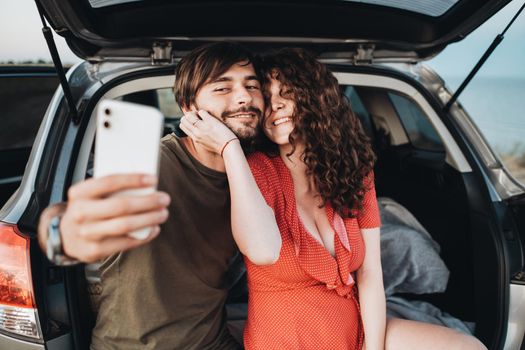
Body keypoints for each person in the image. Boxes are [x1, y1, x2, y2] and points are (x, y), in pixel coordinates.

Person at [179, 48, 487, 350]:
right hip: (285, 341)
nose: (276, 107)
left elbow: (369, 272)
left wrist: (373, 346)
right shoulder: (255, 169)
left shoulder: (353, 170)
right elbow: (262, 252)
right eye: (268, 99)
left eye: (287, 93)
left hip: (353, 330)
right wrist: (231, 147)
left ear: (315, 98)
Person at [38, 42, 273, 350]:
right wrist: (62, 234)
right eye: (222, 88)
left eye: (252, 86)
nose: (244, 97)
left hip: (213, 342)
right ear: (189, 107)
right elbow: (66, 223)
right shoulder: (147, 162)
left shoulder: (256, 173)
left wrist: (229, 146)